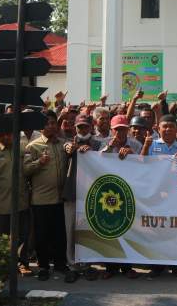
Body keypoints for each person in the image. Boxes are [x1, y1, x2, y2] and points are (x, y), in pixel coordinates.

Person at [0, 124, 30, 275]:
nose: (6, 137)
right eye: (1, 135)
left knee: (22, 235)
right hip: (0, 202)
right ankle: (4, 265)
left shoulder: (23, 148)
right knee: (2, 237)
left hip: (21, 200)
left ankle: (22, 264)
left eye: (8, 134)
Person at [25, 111, 69, 281]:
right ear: (41, 126)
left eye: (54, 123)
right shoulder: (33, 146)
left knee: (59, 234)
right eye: (48, 123)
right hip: (41, 200)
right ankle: (43, 266)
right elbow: (25, 170)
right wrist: (39, 162)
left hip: (59, 199)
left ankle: (60, 264)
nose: (51, 126)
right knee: (42, 235)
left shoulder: (62, 144)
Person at [62, 114, 102, 282]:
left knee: (88, 230)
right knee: (70, 230)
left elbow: (104, 159)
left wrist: (92, 152)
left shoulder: (99, 144)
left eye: (85, 127)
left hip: (91, 194)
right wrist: (74, 148)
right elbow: (68, 149)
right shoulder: (69, 143)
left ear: (91, 127)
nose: (82, 130)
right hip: (72, 193)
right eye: (80, 127)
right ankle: (72, 264)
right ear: (75, 128)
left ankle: (86, 264)